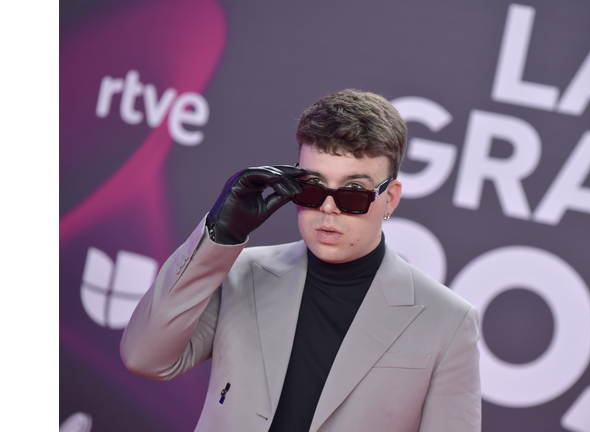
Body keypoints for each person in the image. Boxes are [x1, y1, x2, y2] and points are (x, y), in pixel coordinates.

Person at [120, 89, 481, 432]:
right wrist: (219, 237)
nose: (327, 208)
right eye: (312, 187)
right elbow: (145, 358)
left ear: (390, 199)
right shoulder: (241, 273)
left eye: (353, 194)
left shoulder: (447, 322)